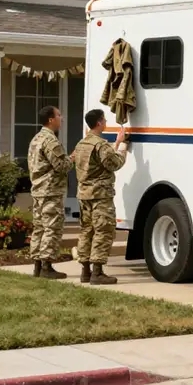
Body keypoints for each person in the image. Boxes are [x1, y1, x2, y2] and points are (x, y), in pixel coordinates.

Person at [72, 109, 129, 285]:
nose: (105, 123)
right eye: (104, 120)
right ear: (99, 123)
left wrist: (115, 143)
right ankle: (97, 272)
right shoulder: (101, 145)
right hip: (100, 195)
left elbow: (99, 162)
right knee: (103, 231)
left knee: (86, 231)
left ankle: (85, 271)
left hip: (84, 195)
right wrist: (122, 147)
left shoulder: (81, 144)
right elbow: (114, 163)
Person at [27, 106, 73, 279]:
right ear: (51, 119)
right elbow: (62, 165)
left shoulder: (36, 138)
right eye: (59, 115)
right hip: (50, 191)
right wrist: (72, 158)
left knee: (39, 227)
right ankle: (47, 266)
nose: (62, 118)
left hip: (38, 190)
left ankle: (37, 266)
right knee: (52, 228)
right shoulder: (50, 140)